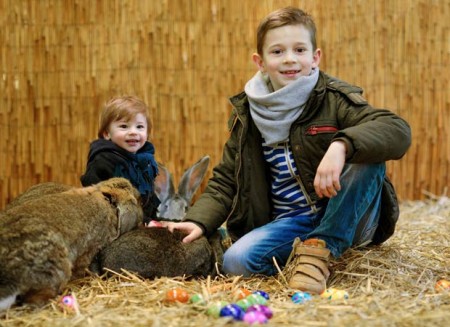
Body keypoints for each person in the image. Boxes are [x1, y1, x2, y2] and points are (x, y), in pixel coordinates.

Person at [166, 7, 411, 294]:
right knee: (235, 261)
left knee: (367, 156)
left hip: (350, 214)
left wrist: (341, 145)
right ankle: (307, 250)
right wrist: (198, 219)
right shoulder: (248, 114)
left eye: (299, 49)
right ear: (260, 61)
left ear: (315, 57)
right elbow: (227, 179)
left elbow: (396, 129)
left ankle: (323, 247)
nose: (290, 59)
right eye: (278, 52)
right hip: (292, 223)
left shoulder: (333, 99)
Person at [80, 95, 160, 224]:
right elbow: (100, 200)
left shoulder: (145, 161)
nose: (133, 132)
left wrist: (153, 219)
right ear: (107, 134)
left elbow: (148, 195)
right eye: (124, 126)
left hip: (141, 220)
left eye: (139, 127)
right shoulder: (103, 160)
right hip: (112, 223)